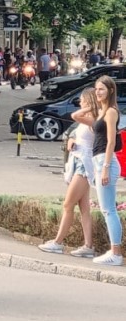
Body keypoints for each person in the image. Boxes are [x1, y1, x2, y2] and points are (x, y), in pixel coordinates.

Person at [38, 88, 98, 258]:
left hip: (85, 164)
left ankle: (58, 242)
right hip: (79, 160)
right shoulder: (88, 119)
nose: (80, 103)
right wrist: (72, 139)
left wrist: (90, 106)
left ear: (89, 101)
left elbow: (75, 116)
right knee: (83, 207)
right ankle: (88, 245)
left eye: (82, 100)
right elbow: (76, 133)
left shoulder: (94, 117)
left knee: (68, 204)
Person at [89, 76, 123, 265]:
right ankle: (114, 251)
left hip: (105, 161)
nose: (98, 92)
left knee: (109, 210)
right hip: (99, 161)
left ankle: (116, 253)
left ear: (110, 90)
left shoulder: (111, 111)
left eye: (101, 89)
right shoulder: (102, 111)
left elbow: (111, 141)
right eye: (96, 89)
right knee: (106, 209)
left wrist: (105, 168)